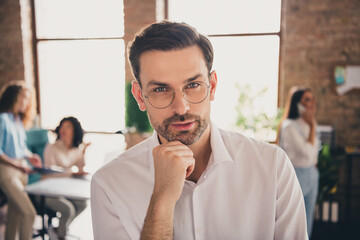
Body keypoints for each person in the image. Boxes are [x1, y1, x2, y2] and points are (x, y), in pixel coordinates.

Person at [91, 21, 308, 240]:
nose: (181, 108)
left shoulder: (272, 167)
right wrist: (162, 201)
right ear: (139, 96)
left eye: (193, 85)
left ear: (212, 86)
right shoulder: (109, 184)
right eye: (160, 89)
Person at [0, 80, 42, 240]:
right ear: (14, 98)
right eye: (24, 97)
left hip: (21, 171)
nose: (26, 102)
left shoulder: (18, 121)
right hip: (8, 171)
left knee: (14, 215)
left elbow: (20, 147)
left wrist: (30, 156)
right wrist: (17, 165)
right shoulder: (2, 119)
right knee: (29, 213)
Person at [277, 86, 320, 237]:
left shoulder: (307, 123)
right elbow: (308, 152)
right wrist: (313, 126)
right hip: (297, 174)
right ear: (297, 103)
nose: (312, 103)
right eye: (307, 99)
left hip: (312, 174)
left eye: (312, 99)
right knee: (295, 220)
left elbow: (314, 154)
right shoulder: (289, 126)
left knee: (308, 219)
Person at [42, 116, 89, 240]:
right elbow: (50, 172)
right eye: (62, 126)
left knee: (83, 204)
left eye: (67, 127)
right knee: (67, 209)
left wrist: (83, 151)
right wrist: (70, 173)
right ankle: (61, 235)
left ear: (75, 131)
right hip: (47, 191)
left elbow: (81, 167)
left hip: (64, 190)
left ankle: (59, 229)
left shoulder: (75, 149)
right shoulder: (51, 148)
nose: (63, 129)